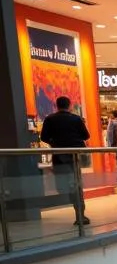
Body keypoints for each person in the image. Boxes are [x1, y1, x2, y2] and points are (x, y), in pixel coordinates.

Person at [40, 95, 91, 225]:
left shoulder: (50, 119)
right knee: (76, 184)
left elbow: (44, 137)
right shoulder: (76, 119)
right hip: (75, 156)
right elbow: (86, 135)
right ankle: (80, 214)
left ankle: (72, 200)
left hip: (59, 155)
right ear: (70, 105)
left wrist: (54, 142)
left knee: (64, 184)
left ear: (57, 106)